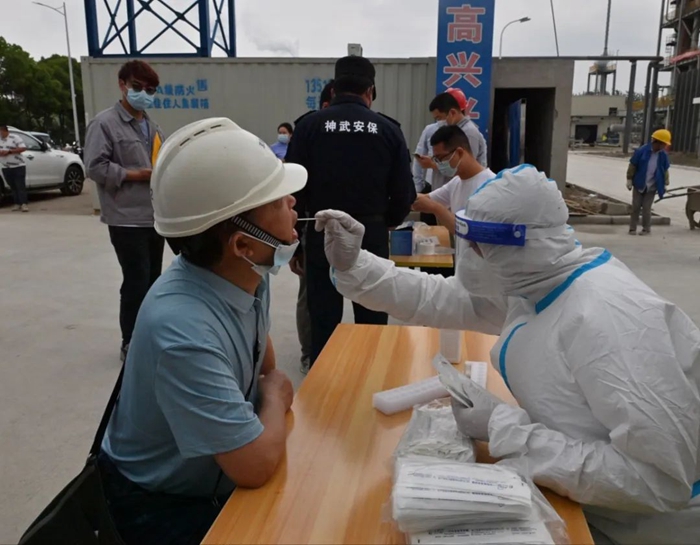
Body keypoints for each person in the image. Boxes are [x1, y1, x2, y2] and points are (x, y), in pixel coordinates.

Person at [315, 164, 700, 545]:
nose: (472, 254)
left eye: (481, 245)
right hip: (580, 500)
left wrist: (506, 429)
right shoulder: (535, 281)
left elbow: (658, 482)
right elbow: (445, 298)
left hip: (636, 527)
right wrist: (358, 267)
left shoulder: (610, 319)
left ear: (526, 243)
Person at [99, 118, 305, 545]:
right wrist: (275, 397)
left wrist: (268, 388)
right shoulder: (182, 330)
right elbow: (253, 465)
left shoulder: (247, 273)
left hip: (212, 476)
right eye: (276, 200)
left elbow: (261, 362)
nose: (292, 202)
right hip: (159, 504)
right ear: (242, 244)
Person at [286, 56, 415, 365]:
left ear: (333, 89)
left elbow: (293, 192)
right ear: (370, 91)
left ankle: (323, 382)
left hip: (322, 232)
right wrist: (388, 222)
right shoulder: (388, 130)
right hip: (370, 234)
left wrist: (295, 243)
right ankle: (372, 377)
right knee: (373, 313)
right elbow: (404, 194)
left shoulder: (308, 127)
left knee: (323, 317)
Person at [84, 60, 166, 362]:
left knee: (154, 281)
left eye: (150, 90)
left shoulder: (153, 127)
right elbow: (94, 167)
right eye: (137, 87)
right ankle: (130, 341)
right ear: (122, 85)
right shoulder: (104, 124)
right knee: (136, 280)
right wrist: (136, 175)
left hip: (153, 217)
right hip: (126, 219)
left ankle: (151, 336)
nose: (144, 94)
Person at [290, 79, 334, 375]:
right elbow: (294, 193)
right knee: (311, 296)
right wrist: (294, 244)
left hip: (350, 232)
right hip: (312, 229)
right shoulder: (308, 131)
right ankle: (311, 353)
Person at [412, 124, 495, 235]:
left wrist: (437, 209)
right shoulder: (456, 182)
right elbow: (426, 199)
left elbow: (471, 232)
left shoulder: (490, 186)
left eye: (441, 158)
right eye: (436, 160)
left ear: (459, 152)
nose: (439, 164)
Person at [416, 91, 488, 192]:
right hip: (446, 192)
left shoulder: (469, 133)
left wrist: (433, 164)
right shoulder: (452, 130)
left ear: (452, 113)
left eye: (439, 118)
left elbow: (463, 167)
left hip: (461, 192)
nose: (439, 122)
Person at [627, 129, 671, 236]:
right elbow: (633, 165)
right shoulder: (642, 151)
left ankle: (646, 229)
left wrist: (665, 183)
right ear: (657, 142)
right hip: (639, 184)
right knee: (636, 207)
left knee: (647, 208)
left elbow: (665, 170)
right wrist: (629, 179)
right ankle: (632, 228)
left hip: (652, 186)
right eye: (664, 144)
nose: (665, 146)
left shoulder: (663, 155)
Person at [0, 125, 28, 212]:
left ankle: (24, 204)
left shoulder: (15, 138)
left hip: (18, 165)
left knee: (20, 185)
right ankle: (17, 203)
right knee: (12, 186)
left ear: (5, 131)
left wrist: (9, 151)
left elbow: (23, 148)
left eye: (1, 132)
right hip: (5, 166)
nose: (0, 134)